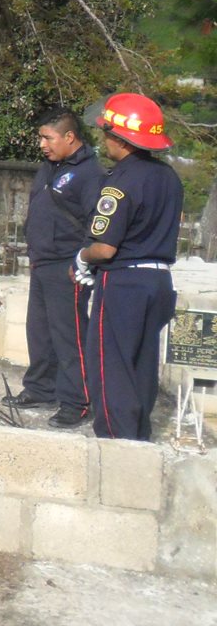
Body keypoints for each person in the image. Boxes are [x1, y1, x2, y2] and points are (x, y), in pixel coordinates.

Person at [75, 93, 182, 441]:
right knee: (142, 364)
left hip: (124, 283)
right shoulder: (168, 177)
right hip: (159, 282)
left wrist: (82, 257)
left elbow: (105, 248)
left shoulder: (120, 182)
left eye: (107, 132)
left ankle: (115, 441)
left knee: (111, 366)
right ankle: (138, 437)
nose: (104, 139)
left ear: (121, 139)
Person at [2, 107, 103, 428]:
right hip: (42, 260)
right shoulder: (49, 167)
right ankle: (41, 388)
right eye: (40, 137)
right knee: (40, 331)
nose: (42, 144)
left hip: (68, 265)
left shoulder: (90, 172)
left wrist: (83, 261)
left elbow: (96, 222)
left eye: (48, 138)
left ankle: (77, 402)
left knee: (69, 336)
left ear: (69, 137)